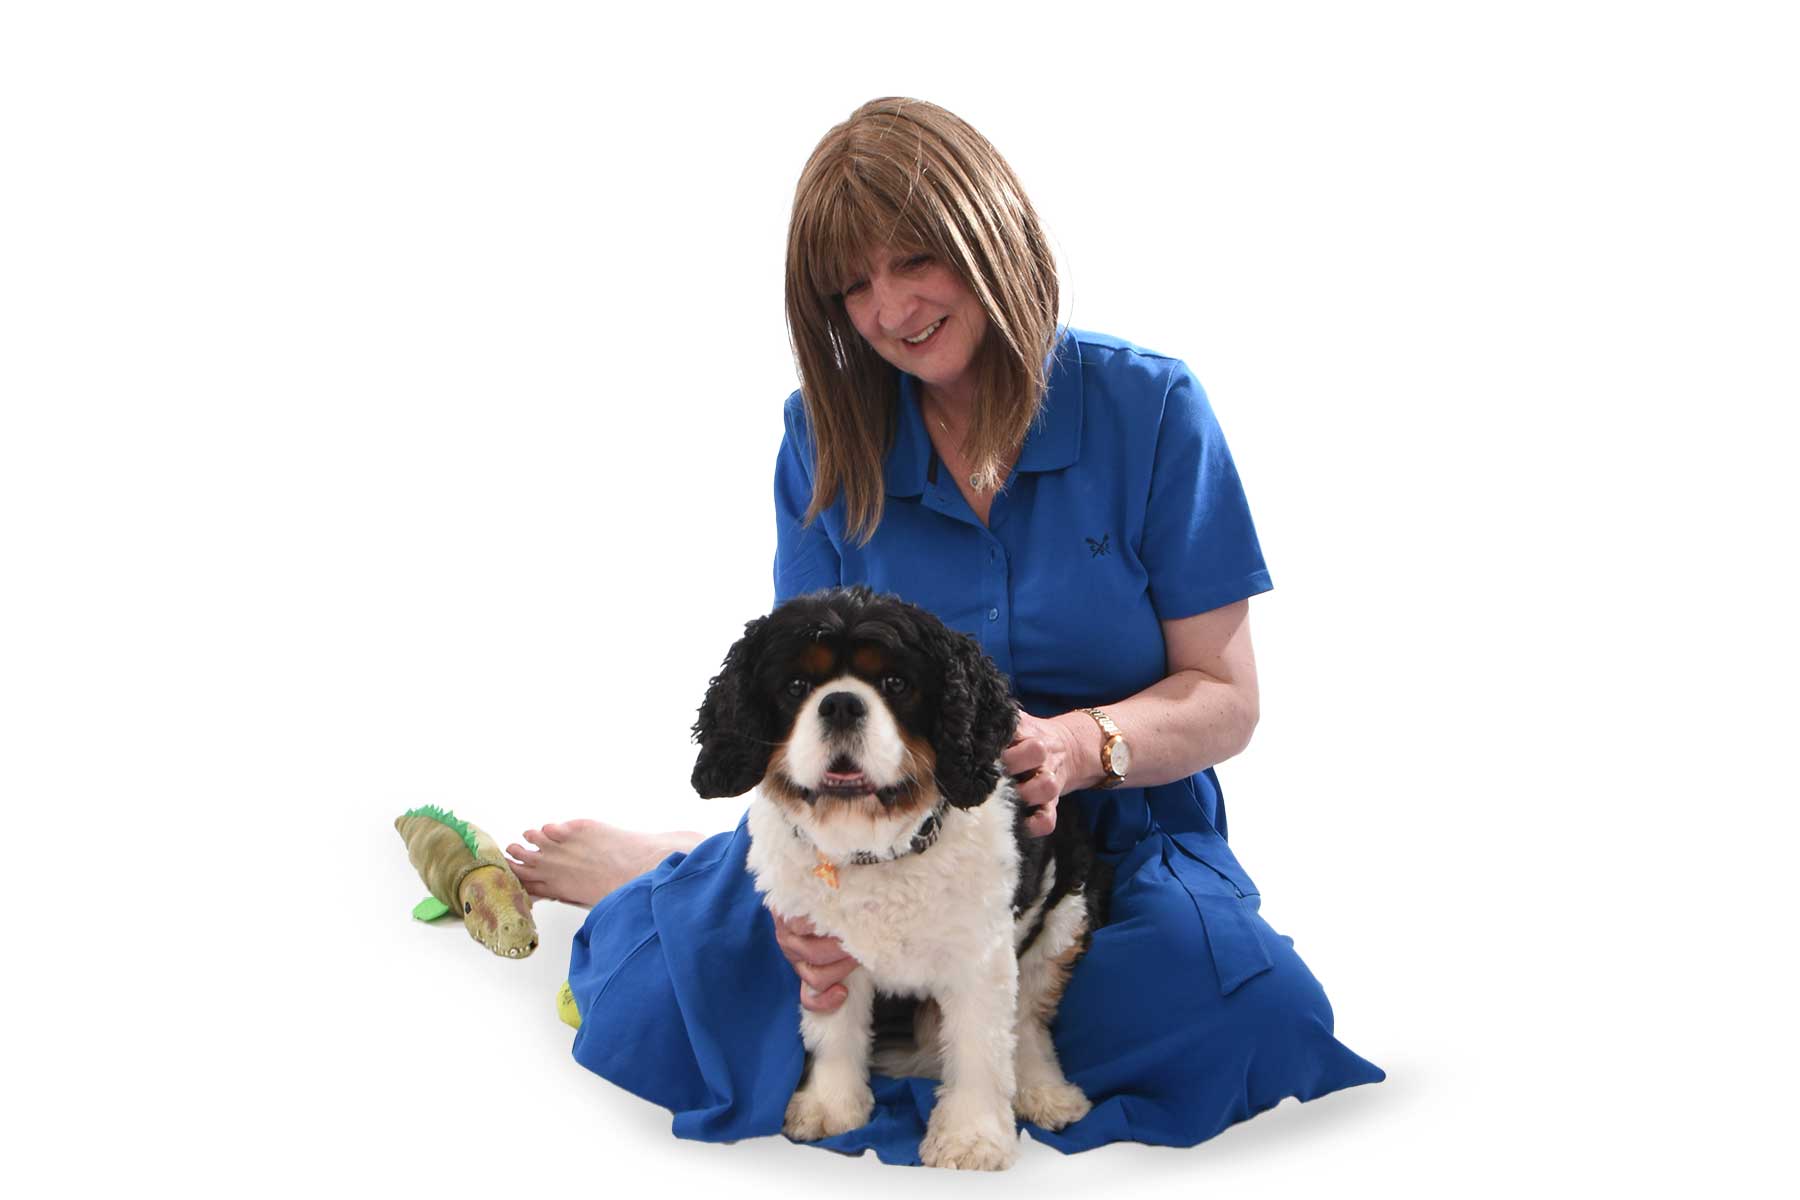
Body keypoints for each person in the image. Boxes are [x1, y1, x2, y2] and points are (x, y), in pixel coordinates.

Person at [507, 97, 1383, 1164]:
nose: (890, 309)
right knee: (656, 1016)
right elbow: (793, 708)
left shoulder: (1153, 408)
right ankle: (676, 873)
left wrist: (1077, 746)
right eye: (853, 285)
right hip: (858, 839)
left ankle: (730, 902)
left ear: (993, 232)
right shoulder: (823, 439)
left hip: (1110, 838)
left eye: (916, 258)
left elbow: (1226, 696)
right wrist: (800, 902)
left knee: (1254, 1024)